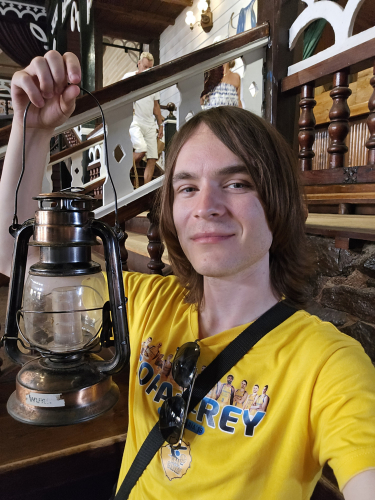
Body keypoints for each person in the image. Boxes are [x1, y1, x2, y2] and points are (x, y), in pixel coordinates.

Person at [1, 52, 375, 500]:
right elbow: (13, 258)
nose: (205, 206)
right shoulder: (145, 303)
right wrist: (33, 130)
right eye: (187, 188)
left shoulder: (328, 364)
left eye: (237, 184)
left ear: (280, 204)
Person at [122, 52, 164, 184]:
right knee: (141, 149)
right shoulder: (128, 77)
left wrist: (160, 124)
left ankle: (144, 190)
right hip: (135, 121)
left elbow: (156, 106)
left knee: (152, 158)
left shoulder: (153, 83)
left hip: (150, 124)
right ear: (139, 64)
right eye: (145, 67)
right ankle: (121, 169)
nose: (148, 71)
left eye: (150, 68)